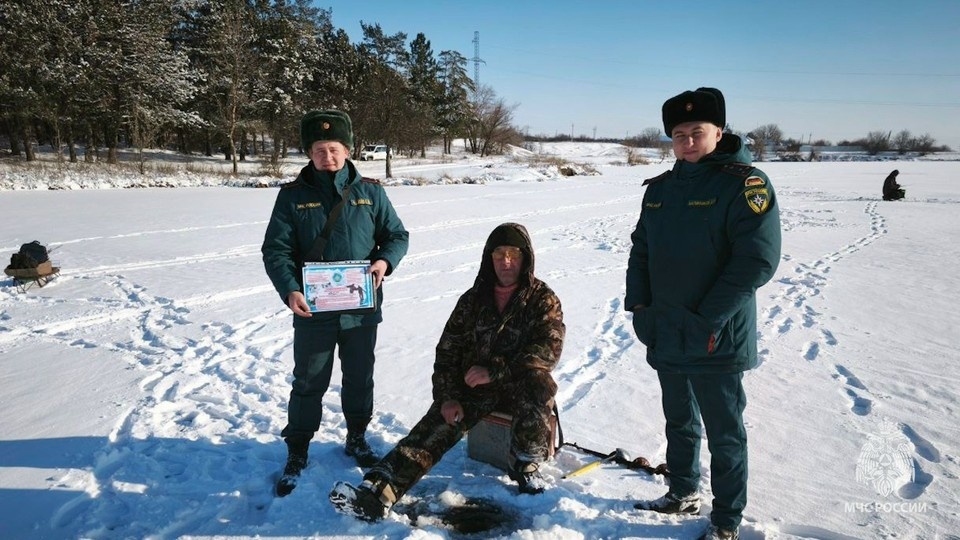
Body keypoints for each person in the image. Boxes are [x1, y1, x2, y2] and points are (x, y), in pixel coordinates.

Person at [625, 88, 782, 540]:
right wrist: (640, 306)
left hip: (718, 335)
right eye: (679, 135)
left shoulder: (745, 184)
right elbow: (642, 249)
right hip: (667, 330)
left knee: (724, 433)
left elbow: (757, 260)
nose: (688, 142)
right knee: (679, 421)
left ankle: (727, 520)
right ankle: (682, 491)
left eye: (697, 132)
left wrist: (706, 318)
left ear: (719, 132)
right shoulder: (660, 190)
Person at [328, 222, 565, 522]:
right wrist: (448, 397)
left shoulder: (543, 299)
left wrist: (495, 370)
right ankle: (378, 491)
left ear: (526, 257)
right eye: (499, 253)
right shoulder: (472, 300)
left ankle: (526, 465)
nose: (506, 261)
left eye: (514, 254)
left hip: (517, 383)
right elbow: (447, 353)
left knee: (539, 382)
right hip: (475, 389)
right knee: (431, 429)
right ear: (488, 257)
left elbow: (547, 351)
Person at [261, 109, 409, 497]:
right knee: (308, 381)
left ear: (348, 148)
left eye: (334, 148)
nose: (328, 156)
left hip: (361, 309)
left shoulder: (371, 192)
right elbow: (276, 250)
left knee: (360, 376)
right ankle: (297, 450)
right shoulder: (292, 197)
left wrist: (383, 262)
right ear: (309, 153)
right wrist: (290, 289)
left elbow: (397, 235)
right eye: (319, 149)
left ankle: (357, 438)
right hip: (313, 310)